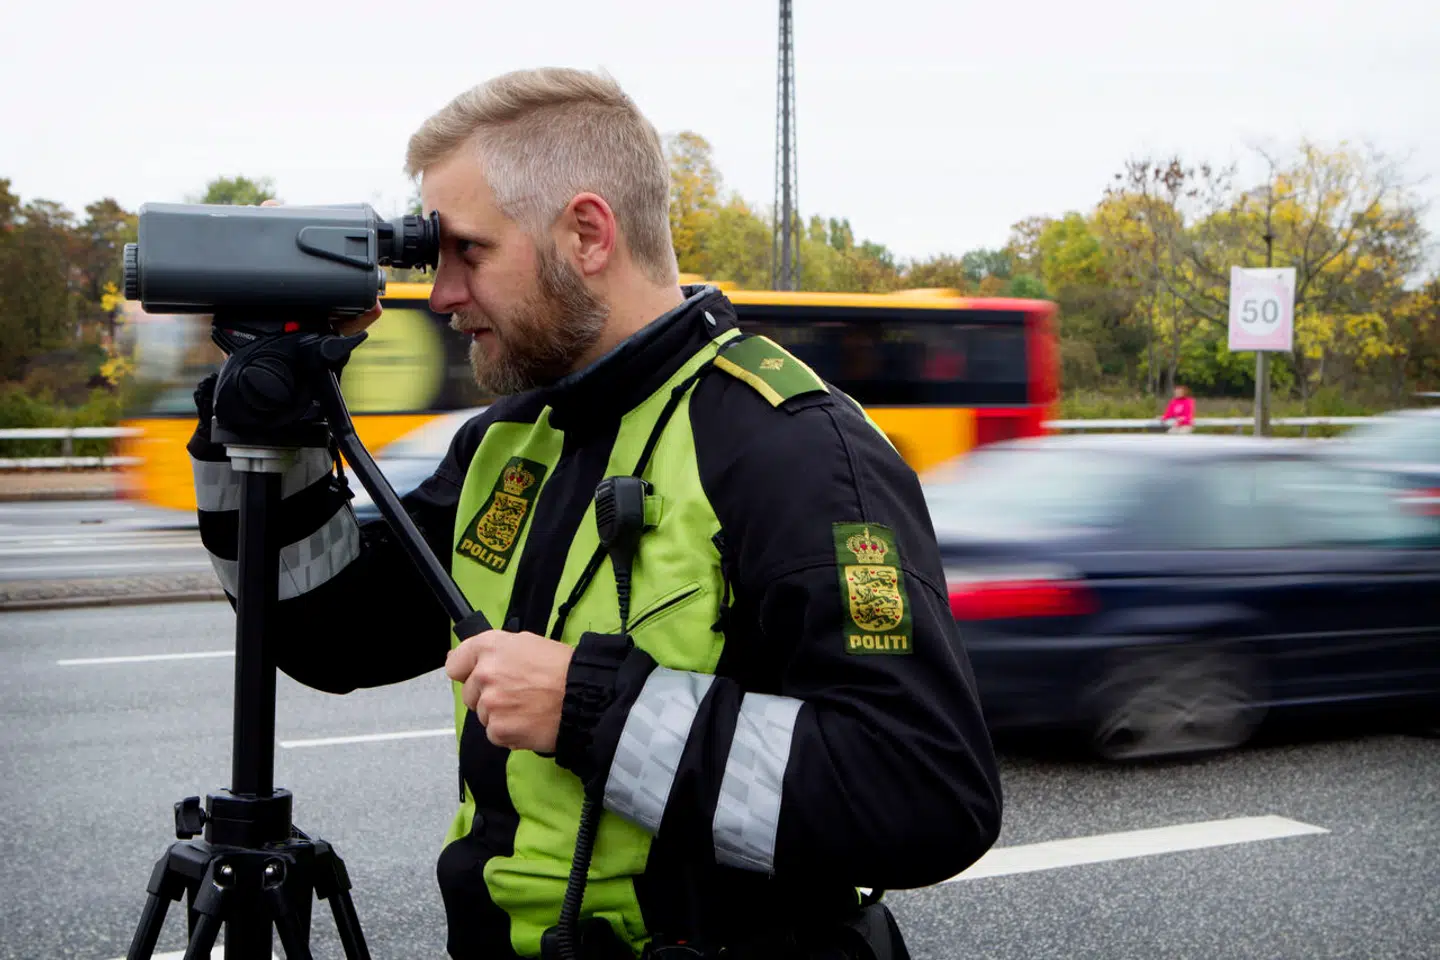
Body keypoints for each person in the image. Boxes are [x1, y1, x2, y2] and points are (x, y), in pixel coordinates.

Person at [187, 67, 1002, 960]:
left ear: (586, 233)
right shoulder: (509, 444)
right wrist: (266, 431)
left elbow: (924, 790)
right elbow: (331, 633)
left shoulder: (798, 451)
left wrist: (595, 708)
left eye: (470, 252)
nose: (442, 294)